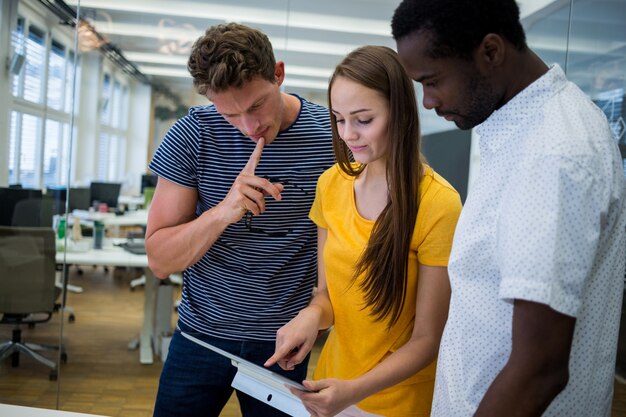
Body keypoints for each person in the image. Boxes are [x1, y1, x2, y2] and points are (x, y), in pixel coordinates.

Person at [391, 1, 626, 416]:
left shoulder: (552, 155)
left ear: (491, 52)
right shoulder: (523, 130)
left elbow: (539, 369)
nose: (427, 102)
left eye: (432, 81)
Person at [145, 22, 335, 417]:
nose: (249, 127)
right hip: (201, 338)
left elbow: (340, 250)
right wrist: (224, 211)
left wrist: (319, 311)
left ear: (278, 74)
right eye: (229, 113)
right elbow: (160, 260)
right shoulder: (192, 134)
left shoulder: (330, 138)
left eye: (256, 106)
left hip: (282, 345)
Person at [265, 45, 462, 417]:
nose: (348, 135)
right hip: (330, 386)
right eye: (339, 120)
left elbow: (426, 340)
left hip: (396, 399)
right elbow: (326, 295)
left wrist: (353, 391)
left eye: (363, 119)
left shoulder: (438, 204)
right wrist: (311, 317)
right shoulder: (331, 184)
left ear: (401, 114)